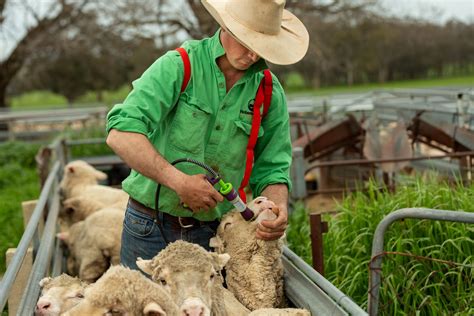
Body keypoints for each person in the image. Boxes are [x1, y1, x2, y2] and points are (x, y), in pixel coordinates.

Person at [105, 0, 309, 270]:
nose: (253, 55)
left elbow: (272, 167)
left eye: (262, 47)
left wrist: (277, 207)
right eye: (246, 41)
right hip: (150, 226)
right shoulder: (180, 66)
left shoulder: (269, 91)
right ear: (226, 25)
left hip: (217, 232)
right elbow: (121, 132)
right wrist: (178, 181)